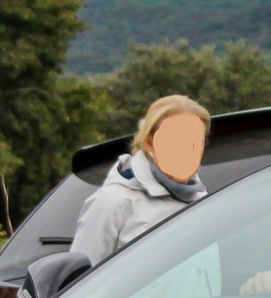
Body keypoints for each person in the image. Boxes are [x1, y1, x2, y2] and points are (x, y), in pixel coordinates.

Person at [70, 94, 210, 267]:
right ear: (149, 142)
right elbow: (78, 284)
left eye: (195, 142)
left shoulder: (203, 199)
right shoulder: (112, 202)